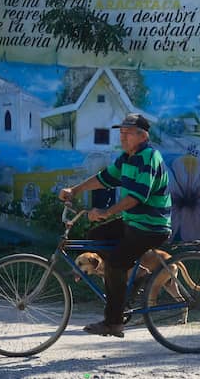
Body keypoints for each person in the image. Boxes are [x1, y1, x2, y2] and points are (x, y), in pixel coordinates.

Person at [58, 113, 172, 337]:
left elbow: (137, 196)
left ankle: (114, 322)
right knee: (96, 235)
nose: (123, 137)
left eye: (128, 133)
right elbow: (105, 178)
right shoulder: (127, 157)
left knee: (116, 263)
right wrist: (75, 190)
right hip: (134, 222)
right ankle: (134, 277)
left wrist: (107, 212)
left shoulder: (148, 157)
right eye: (121, 133)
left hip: (151, 226)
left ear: (142, 135)